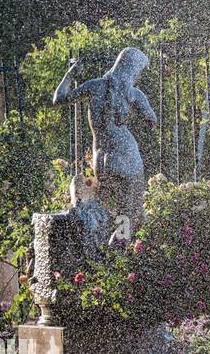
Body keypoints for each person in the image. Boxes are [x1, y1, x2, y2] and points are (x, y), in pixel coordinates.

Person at [52, 47, 156, 230]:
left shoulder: (94, 86)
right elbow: (152, 120)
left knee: (117, 215)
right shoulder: (134, 94)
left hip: (101, 160)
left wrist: (70, 74)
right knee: (130, 216)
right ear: (132, 69)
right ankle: (120, 251)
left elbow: (58, 99)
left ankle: (111, 250)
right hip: (128, 158)